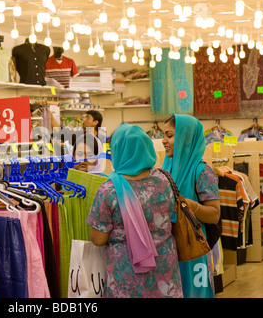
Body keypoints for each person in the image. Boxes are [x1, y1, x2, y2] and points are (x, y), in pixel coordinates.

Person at [86, 123, 183, 298]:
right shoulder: (164, 181)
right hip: (164, 273)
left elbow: (98, 239)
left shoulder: (109, 190)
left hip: (127, 277)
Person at [161, 114, 221, 298]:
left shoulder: (202, 171)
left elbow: (214, 214)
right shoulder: (165, 168)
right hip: (171, 249)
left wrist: (189, 205)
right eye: (163, 135)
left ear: (186, 136)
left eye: (169, 135)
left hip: (193, 249)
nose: (163, 141)